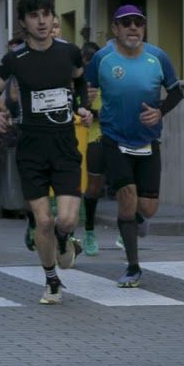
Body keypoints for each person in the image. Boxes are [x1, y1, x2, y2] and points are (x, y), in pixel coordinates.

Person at [0, 0, 92, 304]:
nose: (42, 21)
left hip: (64, 145)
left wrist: (83, 107)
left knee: (66, 219)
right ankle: (51, 280)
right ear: (23, 23)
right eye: (34, 16)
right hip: (30, 147)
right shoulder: (14, 59)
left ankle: (64, 238)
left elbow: (81, 84)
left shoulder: (69, 52)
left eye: (46, 14)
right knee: (42, 220)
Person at [83, 6, 183, 287]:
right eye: (126, 23)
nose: (132, 28)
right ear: (115, 28)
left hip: (149, 139)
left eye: (138, 23)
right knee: (127, 198)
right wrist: (85, 102)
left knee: (148, 208)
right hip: (114, 138)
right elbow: (82, 88)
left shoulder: (157, 57)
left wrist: (160, 111)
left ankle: (135, 220)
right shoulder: (102, 59)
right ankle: (133, 267)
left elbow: (176, 92)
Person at [77, 40, 104, 256]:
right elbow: (78, 109)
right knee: (93, 187)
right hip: (94, 136)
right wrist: (87, 104)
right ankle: (89, 231)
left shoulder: (114, 77)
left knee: (126, 185)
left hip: (120, 137)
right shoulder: (84, 83)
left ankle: (126, 229)